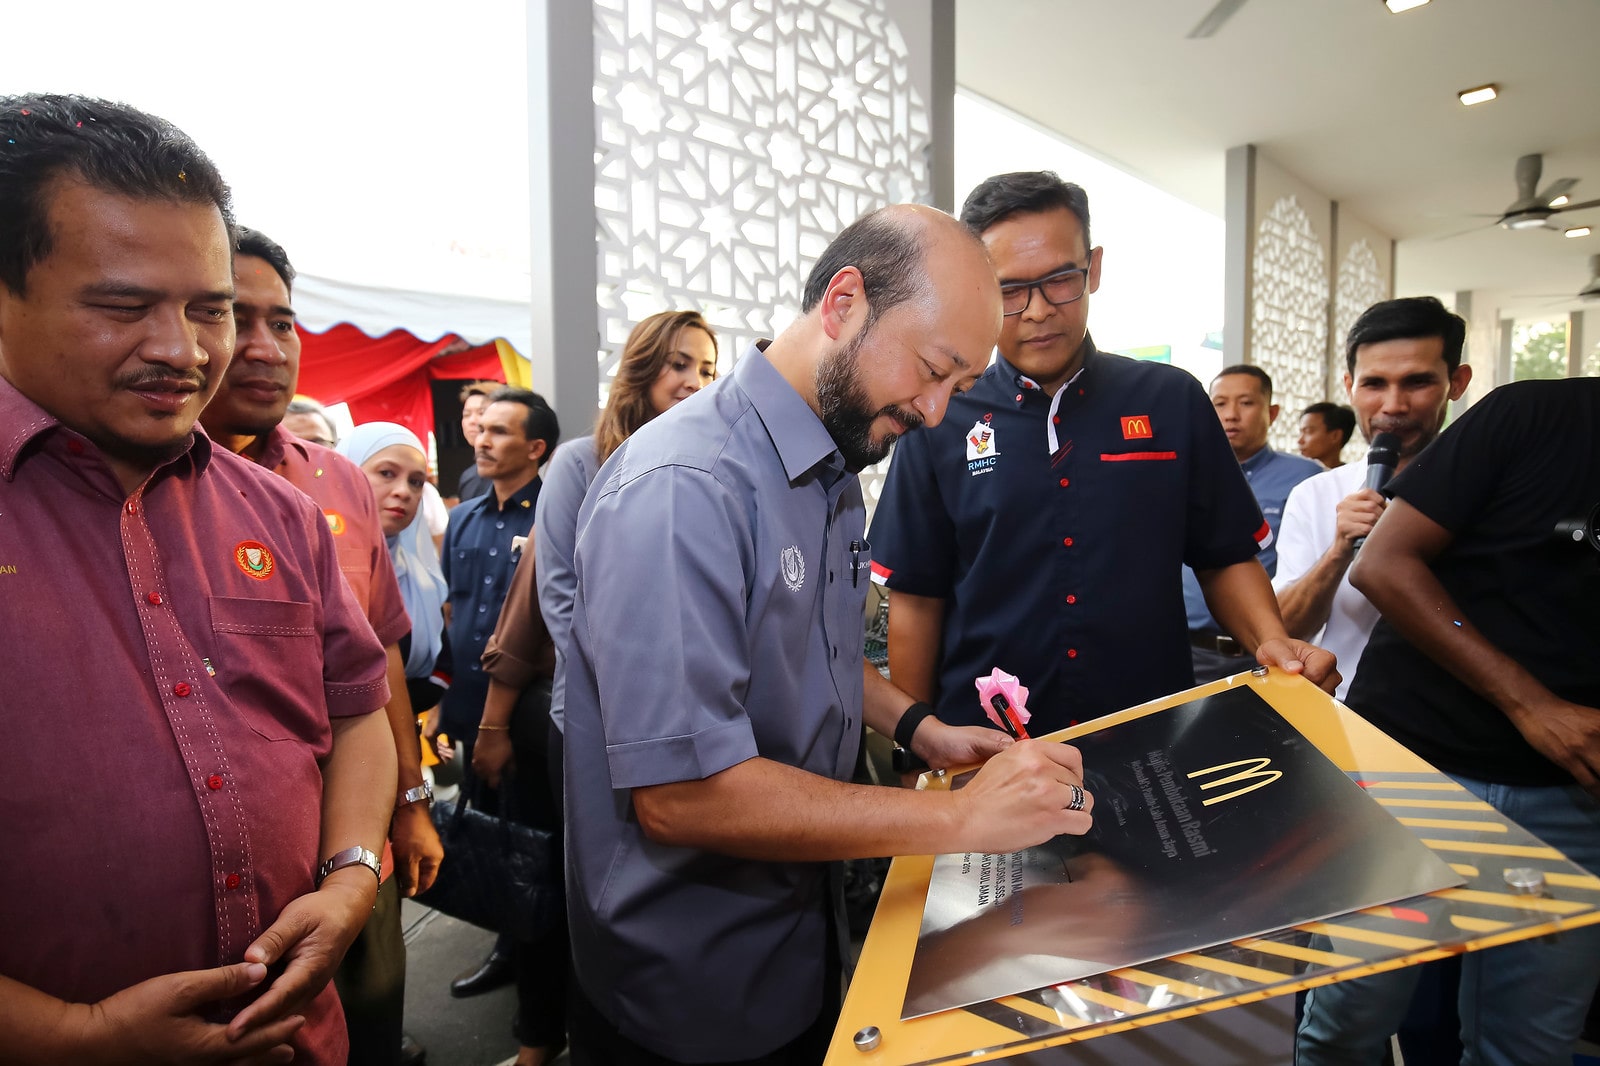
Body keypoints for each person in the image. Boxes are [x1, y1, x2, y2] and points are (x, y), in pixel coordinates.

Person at [563, 204, 1098, 1065]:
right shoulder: (684, 488)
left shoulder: (834, 468)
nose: (932, 412)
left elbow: (814, 653)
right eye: (931, 369)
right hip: (691, 974)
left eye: (958, 389)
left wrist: (922, 729)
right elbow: (681, 794)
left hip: (798, 932)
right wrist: (962, 821)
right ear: (843, 302)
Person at [0, 93, 396, 1064]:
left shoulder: (283, 512)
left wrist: (349, 872)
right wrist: (70, 1036)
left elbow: (353, 712)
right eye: (124, 305)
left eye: (206, 308)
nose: (186, 351)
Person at [869, 171, 1335, 738]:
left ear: (1093, 268)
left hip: (1150, 733)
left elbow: (1223, 555)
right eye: (1010, 290)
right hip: (988, 749)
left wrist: (1272, 642)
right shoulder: (941, 414)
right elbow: (918, 596)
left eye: (1060, 280)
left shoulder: (1171, 400)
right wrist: (918, 745)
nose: (1038, 311)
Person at [1297, 375, 1600, 1066]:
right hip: (1418, 776)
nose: (1393, 400)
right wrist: (1536, 706)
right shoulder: (1536, 414)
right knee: (1349, 1018)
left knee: (1527, 1046)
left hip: (1573, 800)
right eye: (1374, 382)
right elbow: (1385, 565)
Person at [200, 226, 442, 1066]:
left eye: (286, 322)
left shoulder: (332, 480)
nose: (264, 348)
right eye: (235, 316)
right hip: (216, 880)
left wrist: (407, 808)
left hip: (352, 845)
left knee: (370, 1019)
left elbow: (377, 666)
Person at [469, 309, 718, 1066]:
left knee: (666, 893)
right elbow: (565, 603)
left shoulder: (714, 464)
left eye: (707, 370)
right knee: (592, 894)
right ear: (640, 371)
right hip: (592, 720)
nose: (694, 382)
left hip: (686, 721)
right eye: (678, 364)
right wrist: (654, 689)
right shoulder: (580, 462)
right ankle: (565, 1036)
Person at [1275, 297, 1472, 700]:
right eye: (1374, 384)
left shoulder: (1491, 491)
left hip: (1464, 727)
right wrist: (1338, 551)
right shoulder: (1316, 494)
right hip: (1346, 715)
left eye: (1418, 382)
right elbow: (1284, 632)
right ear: (1350, 387)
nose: (1393, 405)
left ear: (1457, 383)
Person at [436, 386, 560, 1005]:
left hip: (526, 718)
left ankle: (538, 973)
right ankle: (508, 947)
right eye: (481, 429)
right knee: (488, 831)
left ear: (536, 448)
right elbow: (455, 612)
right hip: (469, 708)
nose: (483, 440)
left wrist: (499, 726)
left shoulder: (553, 519)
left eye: (501, 432)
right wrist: (442, 704)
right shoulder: (463, 515)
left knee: (531, 842)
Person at [1181, 365, 1321, 682]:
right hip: (1191, 652)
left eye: (1245, 403)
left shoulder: (1305, 478)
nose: (1231, 415)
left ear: (1271, 412)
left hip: (1264, 653)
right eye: (1219, 403)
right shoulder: (1185, 475)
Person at [338, 423, 452, 718]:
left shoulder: (421, 575)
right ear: (345, 471)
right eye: (386, 473)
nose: (403, 492)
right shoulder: (314, 567)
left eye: (416, 482)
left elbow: (443, 665)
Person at [452, 380, 500, 505]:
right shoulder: (468, 477)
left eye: (481, 413)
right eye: (466, 414)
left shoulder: (512, 472)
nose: (472, 421)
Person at [1298, 400, 1355, 468]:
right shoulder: (1295, 475)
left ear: (1335, 436)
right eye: (1301, 432)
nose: (1300, 441)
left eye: (1308, 431)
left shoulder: (1355, 477)